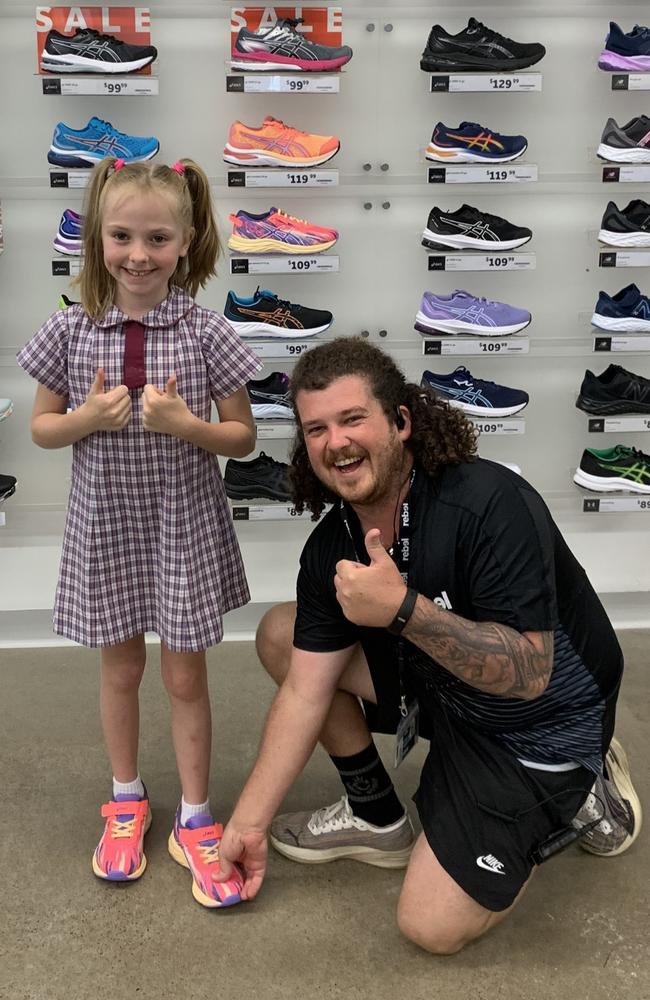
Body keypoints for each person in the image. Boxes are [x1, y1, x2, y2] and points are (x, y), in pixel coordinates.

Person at [218, 337, 642, 951]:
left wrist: (403, 612)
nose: (335, 442)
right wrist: (247, 824)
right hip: (448, 690)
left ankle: (583, 783)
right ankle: (375, 815)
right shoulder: (330, 545)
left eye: (352, 418)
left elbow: (529, 674)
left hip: (541, 721)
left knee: (432, 927)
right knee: (283, 635)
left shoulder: (490, 503)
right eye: (316, 429)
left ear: (401, 422)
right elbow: (306, 694)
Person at [17, 157, 261, 908]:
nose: (138, 254)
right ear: (98, 237)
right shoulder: (68, 327)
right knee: (119, 670)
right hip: (107, 530)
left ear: (186, 240)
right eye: (122, 235)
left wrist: (190, 426)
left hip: (182, 528)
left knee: (186, 676)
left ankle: (195, 814)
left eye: (158, 237)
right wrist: (84, 419)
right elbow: (41, 430)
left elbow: (244, 437)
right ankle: (126, 798)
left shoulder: (207, 331)